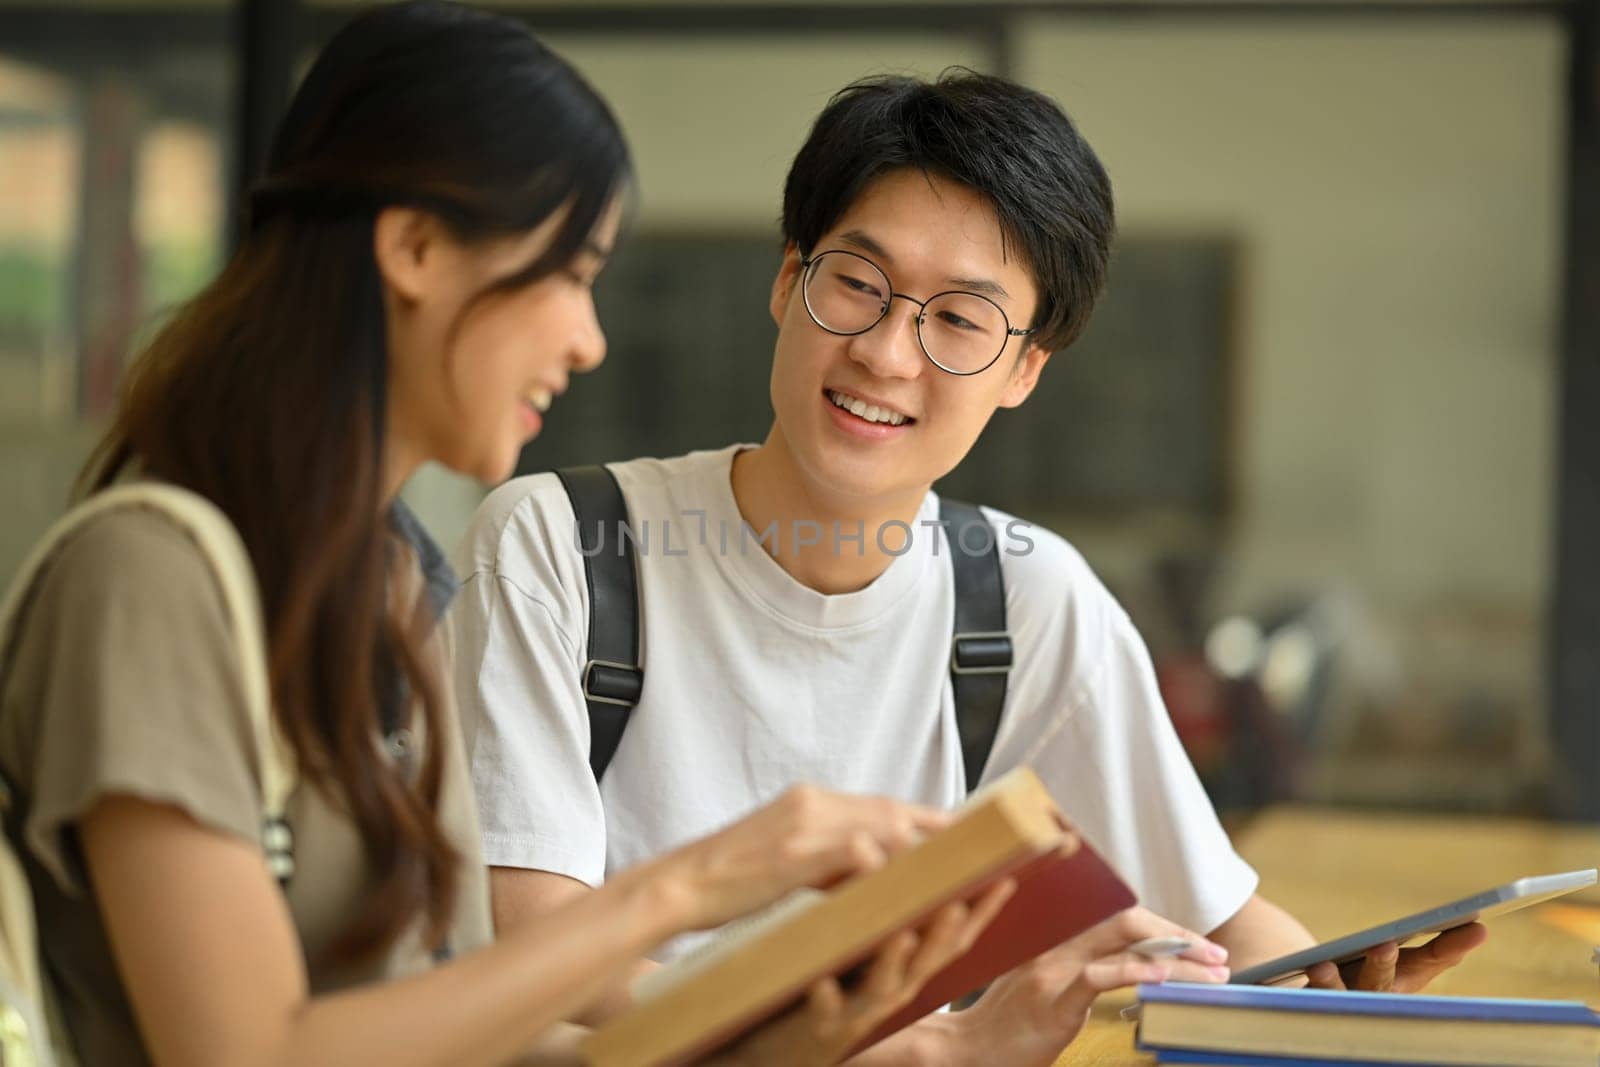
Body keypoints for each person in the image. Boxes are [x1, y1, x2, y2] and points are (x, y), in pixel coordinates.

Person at [0, 5, 1084, 1064]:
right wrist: (699, 881)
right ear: (415, 246)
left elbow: (461, 1033)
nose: (589, 340)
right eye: (569, 275)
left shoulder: (385, 591)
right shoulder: (149, 578)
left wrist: (854, 1039)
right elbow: (246, 1048)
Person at [449, 68, 1487, 1065]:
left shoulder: (1026, 597)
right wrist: (900, 1048)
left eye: (957, 319)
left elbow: (1218, 922)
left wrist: (1326, 1003)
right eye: (857, 284)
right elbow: (539, 960)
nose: (888, 354)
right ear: (786, 279)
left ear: (1025, 368)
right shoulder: (563, 549)